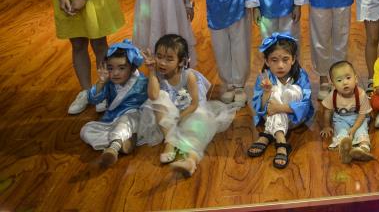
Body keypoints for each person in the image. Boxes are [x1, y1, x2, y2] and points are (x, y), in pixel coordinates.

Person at [139, 35, 237, 177]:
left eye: (169, 59)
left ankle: (191, 161)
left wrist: (180, 117)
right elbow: (153, 96)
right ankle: (170, 142)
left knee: (196, 130)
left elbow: (195, 104)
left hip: (189, 112)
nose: (162, 63)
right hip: (167, 119)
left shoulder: (188, 76)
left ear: (181, 62)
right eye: (159, 57)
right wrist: (152, 71)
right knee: (158, 98)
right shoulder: (157, 75)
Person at [248, 33, 313, 170]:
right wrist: (267, 92)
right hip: (270, 114)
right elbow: (261, 108)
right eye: (274, 60)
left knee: (294, 90)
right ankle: (281, 141)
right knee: (273, 90)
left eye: (285, 59)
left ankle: (267, 134)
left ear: (293, 59)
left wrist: (280, 108)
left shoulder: (301, 75)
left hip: (293, 119)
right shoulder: (264, 77)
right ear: (267, 61)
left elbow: (305, 104)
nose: (280, 65)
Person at [79, 41, 147, 167]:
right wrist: (101, 82)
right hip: (111, 120)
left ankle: (114, 148)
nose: (115, 73)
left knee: (125, 121)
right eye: (110, 68)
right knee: (85, 130)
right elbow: (93, 99)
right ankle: (125, 142)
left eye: (121, 68)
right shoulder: (108, 83)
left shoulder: (143, 82)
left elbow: (154, 98)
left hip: (133, 119)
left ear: (133, 68)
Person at [319, 60, 375, 163]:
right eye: (339, 80)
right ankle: (345, 149)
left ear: (356, 79)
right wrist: (326, 126)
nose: (345, 82)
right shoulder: (333, 95)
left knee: (362, 131)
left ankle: (363, 149)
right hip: (341, 119)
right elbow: (327, 111)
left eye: (348, 78)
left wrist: (354, 129)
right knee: (341, 132)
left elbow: (362, 115)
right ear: (333, 84)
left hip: (358, 118)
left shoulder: (361, 94)